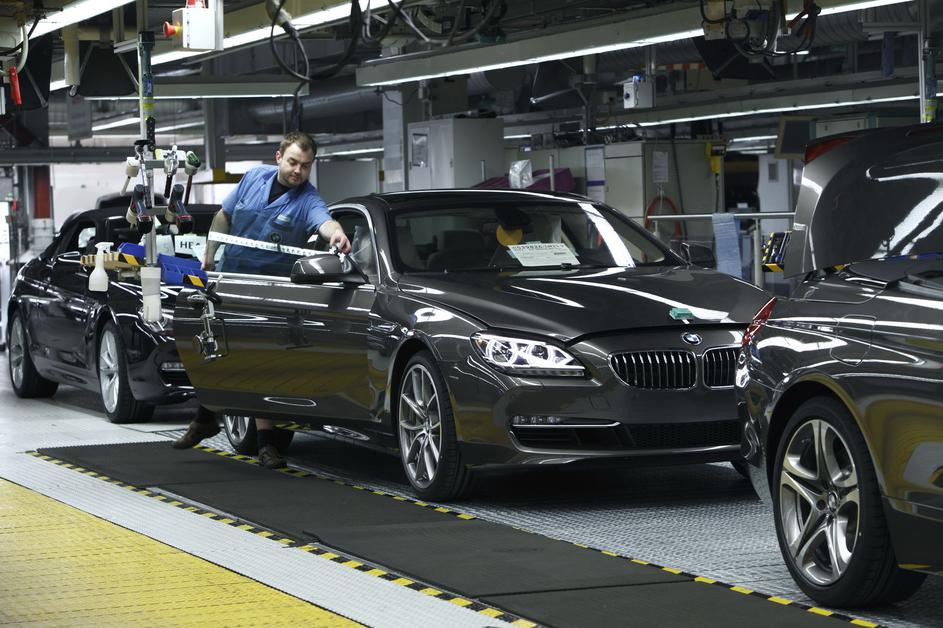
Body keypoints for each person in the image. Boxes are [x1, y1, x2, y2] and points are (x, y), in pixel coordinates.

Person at [173, 131, 351, 469]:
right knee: (218, 354)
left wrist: (338, 234)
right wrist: (210, 252)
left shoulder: (308, 199)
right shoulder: (254, 177)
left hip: (269, 292)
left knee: (259, 363)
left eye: (306, 166)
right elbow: (224, 215)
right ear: (278, 156)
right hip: (230, 281)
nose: (298, 171)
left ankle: (265, 443)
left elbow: (325, 222)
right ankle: (206, 417)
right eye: (293, 162)